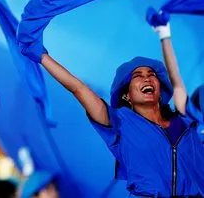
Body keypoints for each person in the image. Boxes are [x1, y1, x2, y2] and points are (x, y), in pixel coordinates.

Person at [28, 16, 204, 196]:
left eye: (152, 74)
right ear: (126, 95)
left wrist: (164, 34)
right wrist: (42, 57)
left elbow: (176, 80)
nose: (147, 78)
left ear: (160, 90)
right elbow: (78, 88)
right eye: (137, 75)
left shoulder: (184, 121)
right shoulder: (119, 125)